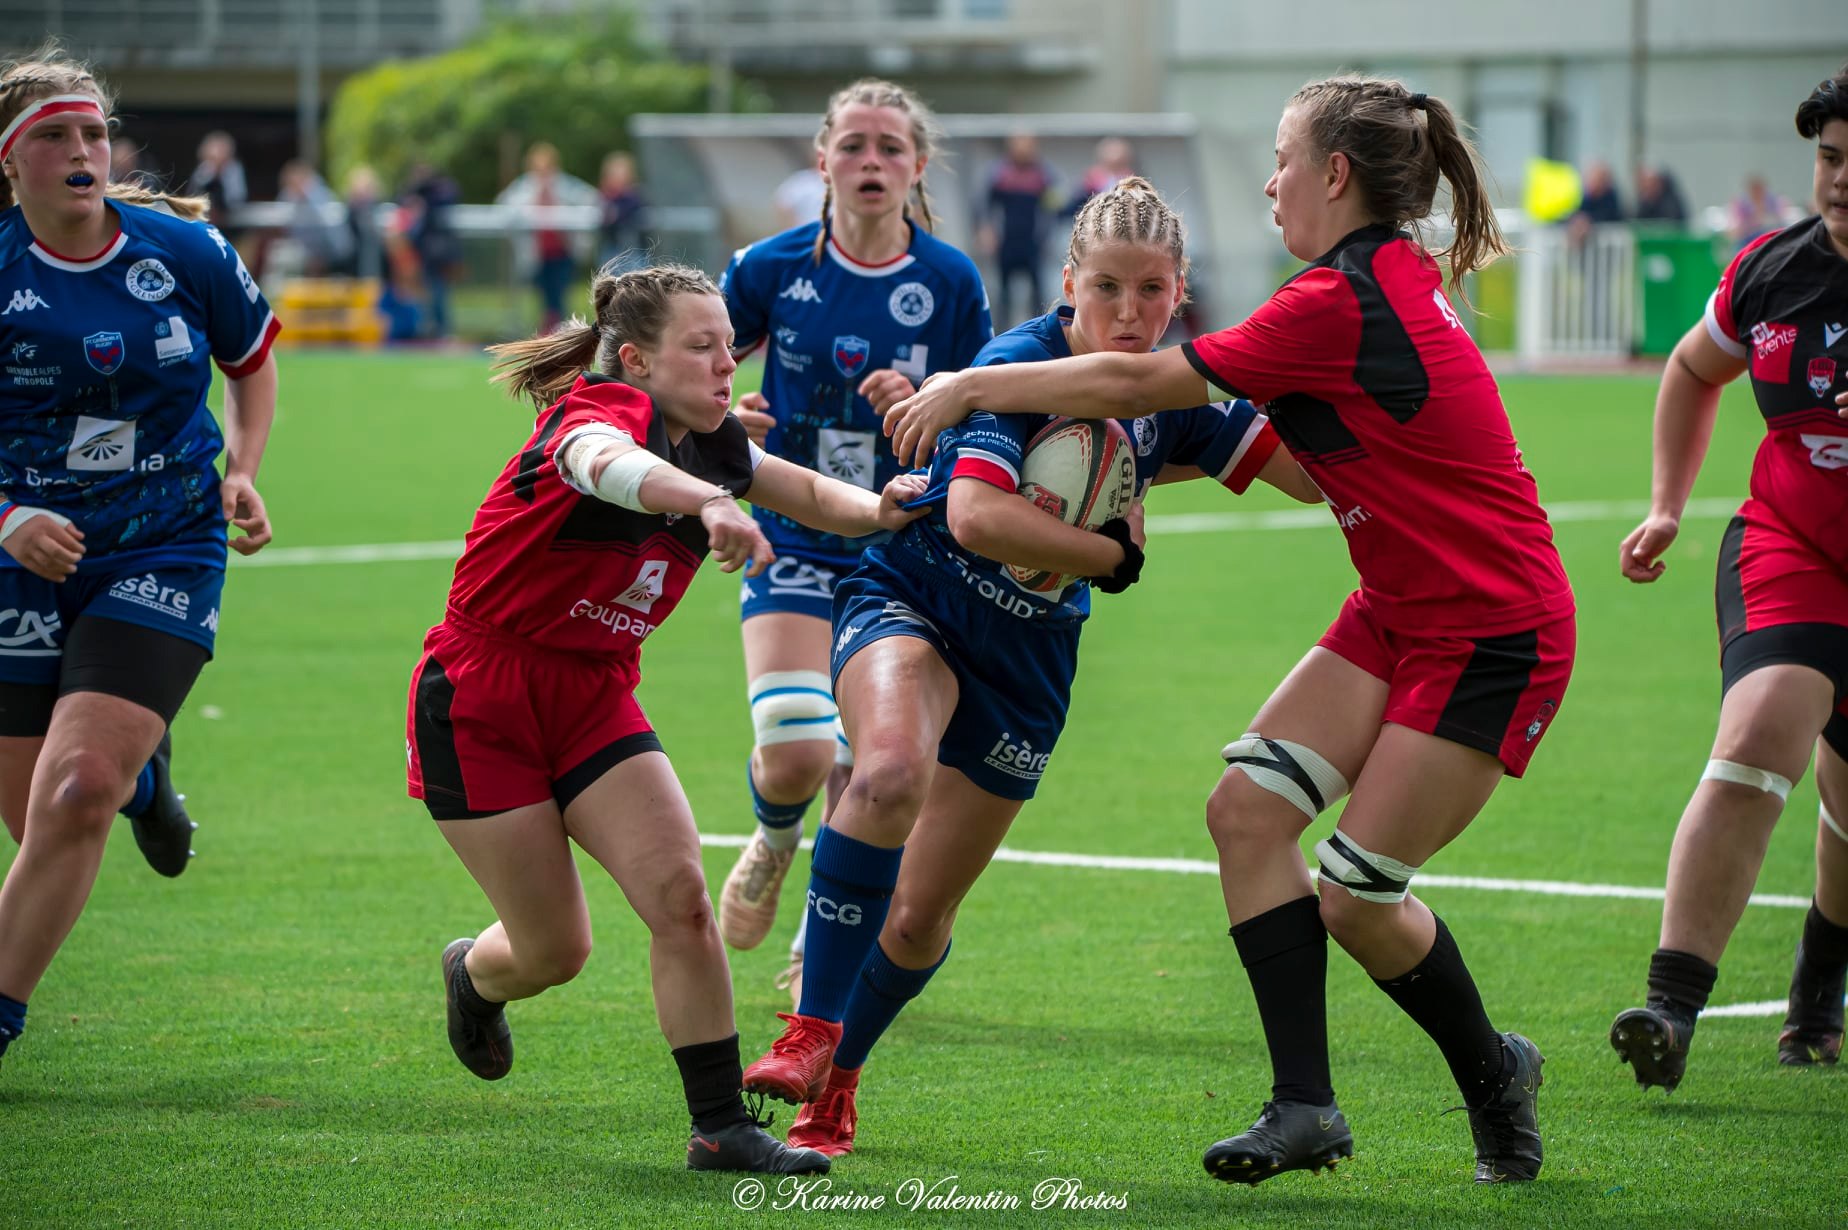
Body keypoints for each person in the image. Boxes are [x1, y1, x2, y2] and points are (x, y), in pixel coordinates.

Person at [885, 75, 1577, 1186]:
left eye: (1284, 160)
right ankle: (1305, 1105)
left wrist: (975, 386)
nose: (1271, 182)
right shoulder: (1367, 280)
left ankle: (1496, 1075)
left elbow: (1145, 380)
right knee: (1247, 812)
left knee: (1354, 894)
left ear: (1335, 176)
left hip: (1492, 627)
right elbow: (1284, 455)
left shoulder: (1339, 300)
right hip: (1402, 609)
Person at [743, 176, 1319, 1157]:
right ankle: (808, 1031)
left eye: (1150, 292)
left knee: (921, 920)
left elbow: (1307, 478)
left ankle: (839, 1079)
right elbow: (975, 517)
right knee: (885, 772)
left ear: (1181, 289)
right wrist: (1116, 556)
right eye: (1106, 289)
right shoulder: (1020, 362)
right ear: (1067, 282)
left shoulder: (1174, 390)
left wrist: (1326, 391)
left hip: (1028, 663)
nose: (1128, 316)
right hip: (917, 600)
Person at [408, 262, 925, 1175]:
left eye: (731, 344)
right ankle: (474, 975)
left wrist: (882, 508)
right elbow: (610, 469)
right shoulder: (592, 420)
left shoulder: (716, 444)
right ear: (638, 360)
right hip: (481, 695)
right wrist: (707, 500)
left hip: (594, 693)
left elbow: (807, 493)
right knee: (555, 950)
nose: (728, 364)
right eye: (703, 346)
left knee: (682, 899)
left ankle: (719, 1126)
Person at [0, 47, 280, 1066]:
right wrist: (5, 521)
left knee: (75, 792)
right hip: (18, 561)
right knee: (39, 822)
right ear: (11, 164)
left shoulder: (185, 251)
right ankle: (150, 783)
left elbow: (250, 364)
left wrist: (242, 469)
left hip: (163, 542)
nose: (82, 153)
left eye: (94, 134)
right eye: (54, 138)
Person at [713, 78, 993, 1000]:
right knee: (795, 753)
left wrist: (923, 413)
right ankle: (772, 836)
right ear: (822, 158)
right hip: (792, 531)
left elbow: (985, 420)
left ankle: (811, 944)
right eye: (855, 146)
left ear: (917, 168)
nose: (871, 163)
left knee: (859, 765)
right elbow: (694, 377)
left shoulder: (950, 281)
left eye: (890, 148)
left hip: (896, 552)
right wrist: (730, 413)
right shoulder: (766, 267)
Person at [1609, 64, 1848, 1089]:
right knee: (1758, 737)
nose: (1839, 180)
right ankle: (1670, 1008)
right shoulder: (1770, 270)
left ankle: (1814, 987)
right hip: (1790, 549)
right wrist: (1667, 501)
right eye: (1831, 159)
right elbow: (1691, 368)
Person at [496, 142, 598, 334]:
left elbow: (591, 198)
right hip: (536, 253)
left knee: (558, 292)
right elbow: (505, 204)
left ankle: (561, 332)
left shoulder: (566, 185)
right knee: (542, 293)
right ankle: (547, 329)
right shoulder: (524, 187)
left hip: (561, 250)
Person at [981, 131, 1060, 325]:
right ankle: (1001, 332)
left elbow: (1054, 207)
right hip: (1006, 241)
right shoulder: (1001, 174)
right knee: (1003, 293)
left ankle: (1040, 330)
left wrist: (1048, 236)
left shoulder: (1042, 175)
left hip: (1033, 242)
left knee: (1037, 293)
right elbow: (984, 205)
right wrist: (987, 230)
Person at [400, 163, 460, 339]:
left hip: (437, 253)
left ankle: (441, 328)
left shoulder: (440, 190)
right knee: (419, 292)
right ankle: (423, 327)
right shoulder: (413, 192)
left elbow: (450, 197)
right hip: (418, 251)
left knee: (438, 291)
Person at [184, 130, 246, 238]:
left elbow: (235, 200)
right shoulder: (203, 170)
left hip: (230, 229)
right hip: (204, 227)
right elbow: (192, 197)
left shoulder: (234, 170)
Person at [596, 152, 651, 274]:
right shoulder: (605, 197)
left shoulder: (635, 196)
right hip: (612, 248)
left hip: (634, 250)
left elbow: (626, 212)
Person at [1729, 175, 1793, 251]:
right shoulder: (1741, 204)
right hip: (1747, 239)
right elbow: (1737, 229)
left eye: (1759, 189)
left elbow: (1780, 219)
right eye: (1754, 189)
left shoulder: (1773, 201)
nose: (1757, 192)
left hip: (1769, 237)